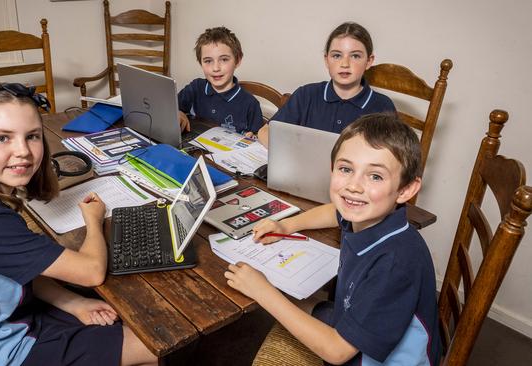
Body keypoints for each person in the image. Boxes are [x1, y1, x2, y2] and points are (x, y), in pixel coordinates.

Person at [0, 82, 157, 366]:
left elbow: (19, 268)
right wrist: (93, 221)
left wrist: (74, 303)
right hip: (1, 354)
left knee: (114, 320)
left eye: (32, 136)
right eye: (2, 138)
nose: (23, 151)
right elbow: (92, 271)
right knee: (156, 346)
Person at [226, 113, 440, 365]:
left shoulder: (395, 265)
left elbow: (337, 352)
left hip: (366, 357)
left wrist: (263, 292)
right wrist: (286, 225)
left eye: (375, 176)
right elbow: (335, 212)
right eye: (346, 169)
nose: (354, 186)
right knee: (289, 297)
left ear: (405, 190)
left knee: (271, 298)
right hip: (350, 315)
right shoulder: (367, 214)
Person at [257, 22, 396, 147]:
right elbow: (266, 131)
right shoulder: (306, 94)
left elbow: (393, 156)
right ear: (326, 59)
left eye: (355, 56)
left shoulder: (383, 106)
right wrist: (291, 156)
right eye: (337, 55)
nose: (345, 64)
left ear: (369, 61)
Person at [177, 26, 263, 136]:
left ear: (237, 60)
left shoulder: (250, 103)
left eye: (224, 59)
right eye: (208, 61)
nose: (216, 68)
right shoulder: (195, 87)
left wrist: (253, 138)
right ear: (200, 63)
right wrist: (179, 113)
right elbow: (172, 107)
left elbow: (258, 137)